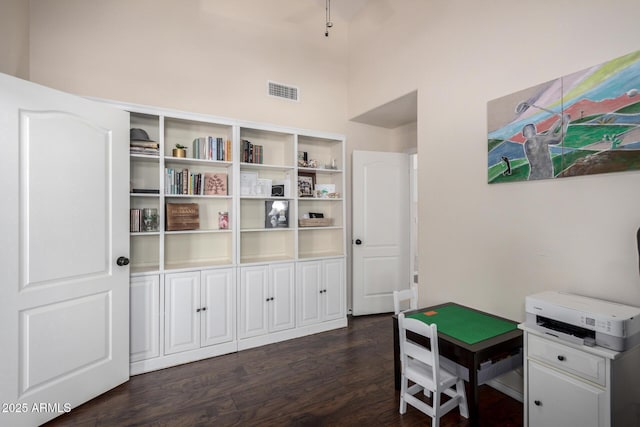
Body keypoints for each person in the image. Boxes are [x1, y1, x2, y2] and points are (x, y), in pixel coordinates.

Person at [523, 113, 570, 180]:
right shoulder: (538, 140)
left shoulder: (528, 142)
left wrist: (559, 121)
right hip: (544, 174)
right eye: (527, 131)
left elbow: (549, 134)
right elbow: (558, 139)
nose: (527, 132)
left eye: (528, 131)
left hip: (537, 174)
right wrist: (565, 123)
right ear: (534, 131)